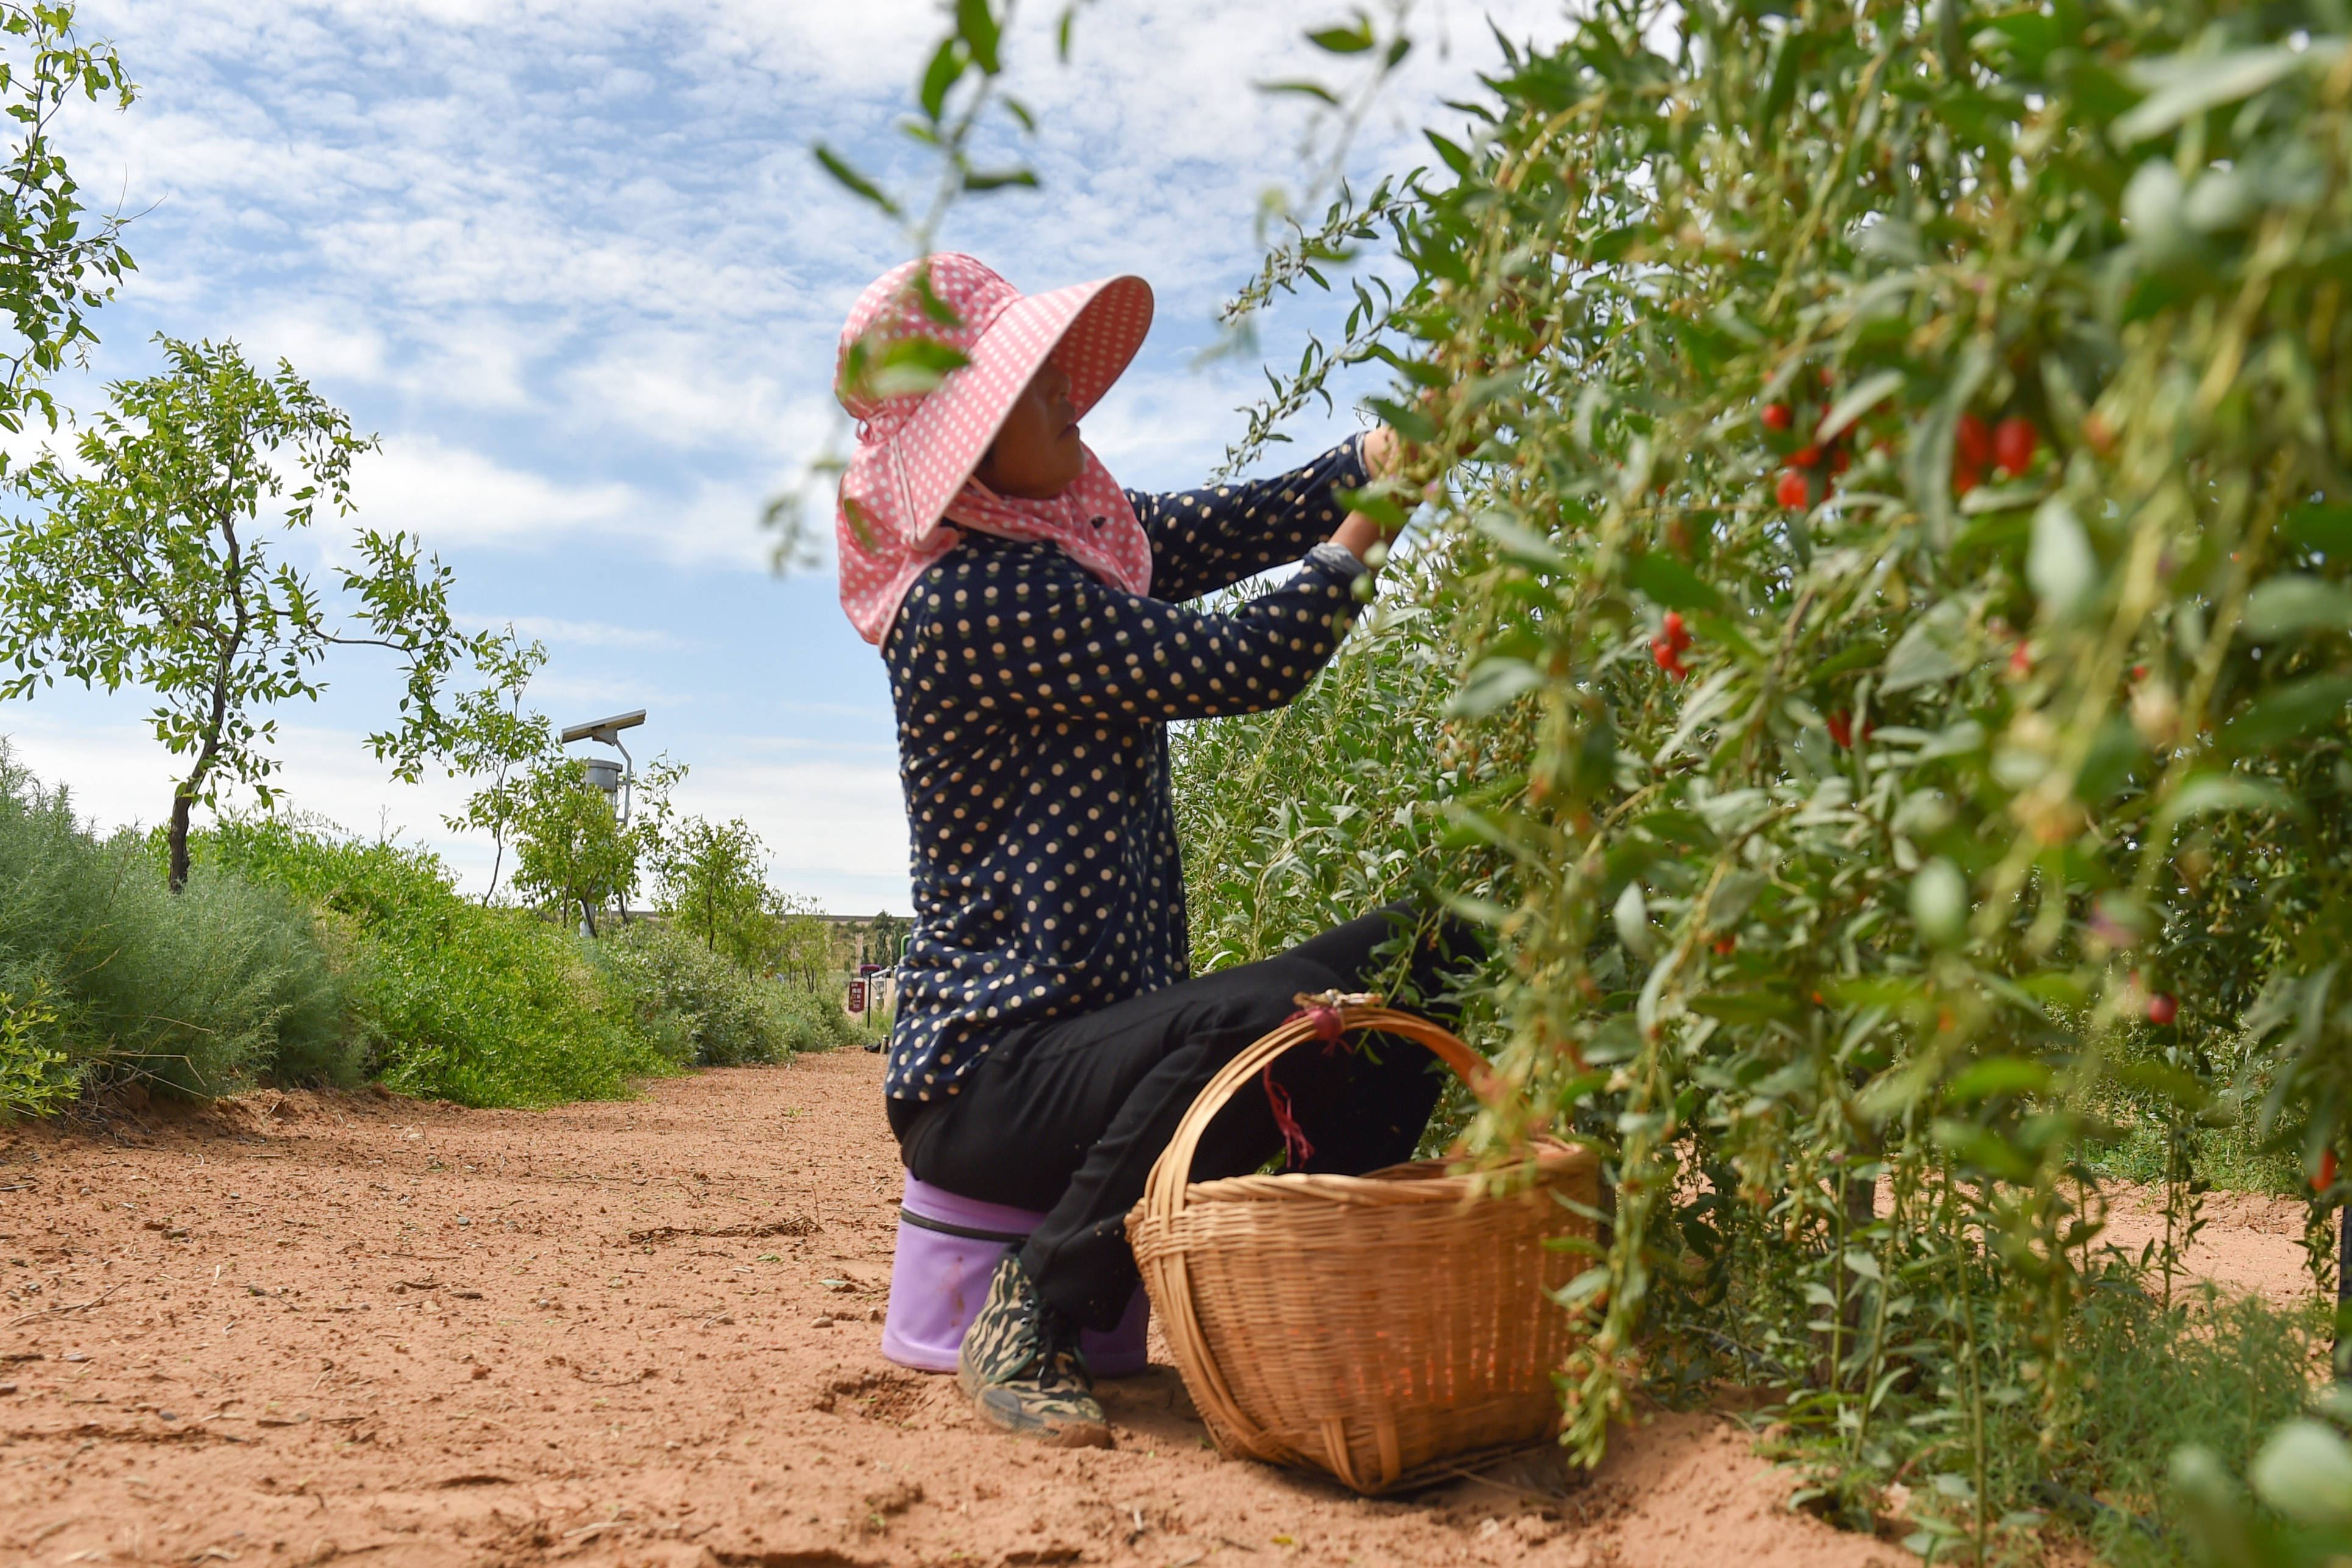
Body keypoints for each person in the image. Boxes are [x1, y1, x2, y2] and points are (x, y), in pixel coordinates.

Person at [833, 254, 1472, 1447]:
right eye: (1023, 395)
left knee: (1439, 949)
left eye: (1051, 380)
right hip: (991, 1072)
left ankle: (1317, 1269)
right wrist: (1379, 515)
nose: (1065, 403)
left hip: (1091, 1046)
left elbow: (1248, 521)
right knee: (1249, 1024)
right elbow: (1249, 663)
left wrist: (1403, 439)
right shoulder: (978, 598)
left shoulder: (1087, 540)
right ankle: (1031, 1308)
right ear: (961, 457)